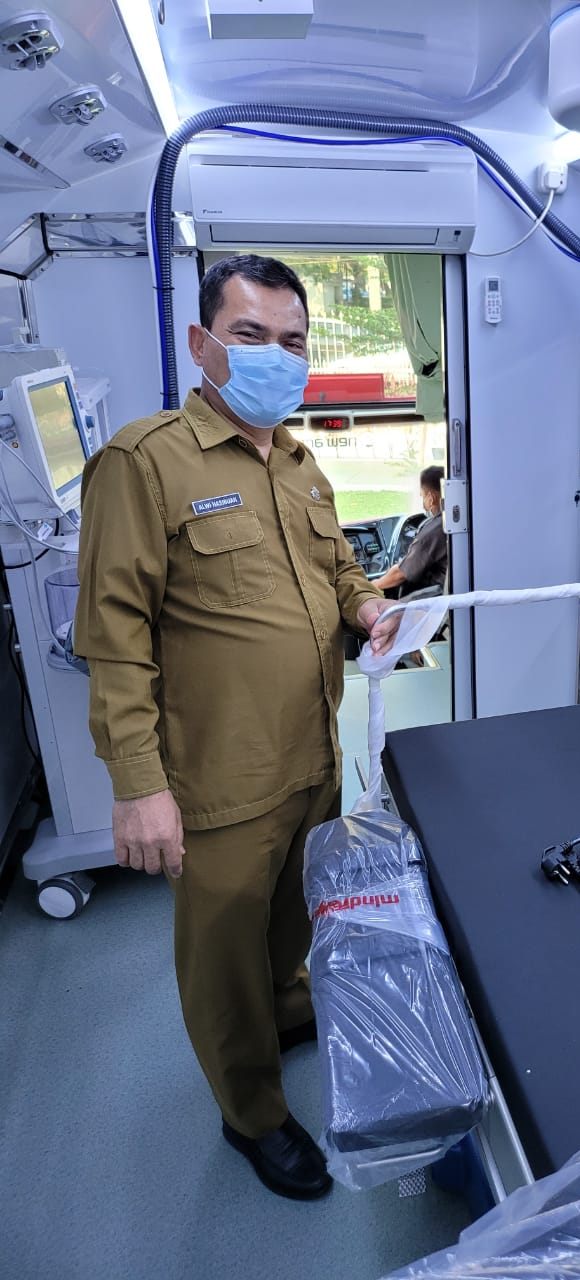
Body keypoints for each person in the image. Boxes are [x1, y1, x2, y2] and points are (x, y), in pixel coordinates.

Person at [73, 254, 399, 1200]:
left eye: (293, 342)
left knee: (291, 920)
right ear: (201, 343)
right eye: (250, 335)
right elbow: (113, 637)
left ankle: (285, 1012)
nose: (275, 357)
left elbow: (337, 571)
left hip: (311, 757)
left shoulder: (299, 463)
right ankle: (250, 1112)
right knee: (222, 956)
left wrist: (370, 607)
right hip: (217, 778)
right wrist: (138, 787)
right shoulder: (145, 462)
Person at [373, 465, 448, 598]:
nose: (423, 505)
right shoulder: (451, 522)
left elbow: (400, 574)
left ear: (431, 498)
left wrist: (375, 584)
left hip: (439, 596)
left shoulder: (434, 530)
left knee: (389, 608)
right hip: (445, 591)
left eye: (423, 497)